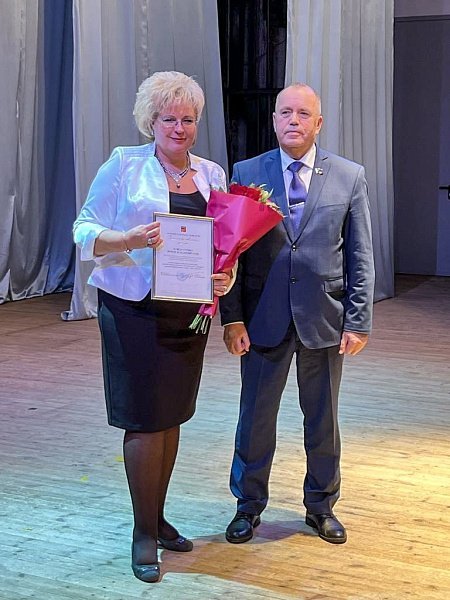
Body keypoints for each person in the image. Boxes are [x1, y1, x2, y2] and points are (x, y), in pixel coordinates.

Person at [73, 71, 230, 583]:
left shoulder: (212, 174)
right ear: (151, 121)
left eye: (188, 119)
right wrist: (128, 239)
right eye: (169, 119)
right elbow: (84, 228)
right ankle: (142, 532)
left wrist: (224, 276)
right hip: (133, 309)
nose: (179, 128)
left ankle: (158, 519)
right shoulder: (124, 164)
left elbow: (222, 244)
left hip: (187, 311)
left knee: (171, 415)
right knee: (144, 418)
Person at [220, 83, 375, 546]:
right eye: (285, 112)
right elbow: (230, 251)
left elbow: (360, 255)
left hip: (323, 318)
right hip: (262, 319)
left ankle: (321, 506)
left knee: (322, 419)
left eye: (303, 114)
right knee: (255, 419)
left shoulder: (349, 176)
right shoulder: (247, 172)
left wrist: (358, 319)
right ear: (273, 120)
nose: (294, 120)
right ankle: (248, 506)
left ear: (318, 123)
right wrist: (232, 318)